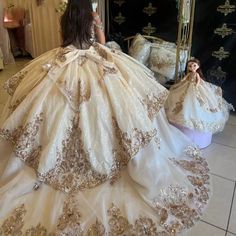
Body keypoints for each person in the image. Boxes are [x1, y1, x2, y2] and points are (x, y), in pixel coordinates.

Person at [0, 1, 211, 235]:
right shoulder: (92, 16)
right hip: (93, 58)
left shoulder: (65, 19)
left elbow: (64, 42)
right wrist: (97, 29)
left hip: (64, 58)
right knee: (113, 107)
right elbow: (100, 42)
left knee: (51, 108)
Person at [165, 58, 233, 148]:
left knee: (199, 102)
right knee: (181, 99)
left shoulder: (196, 74)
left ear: (198, 66)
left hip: (196, 88)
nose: (192, 67)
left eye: (194, 65)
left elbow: (198, 81)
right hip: (186, 86)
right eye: (190, 66)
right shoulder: (189, 74)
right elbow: (185, 79)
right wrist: (181, 82)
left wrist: (196, 86)